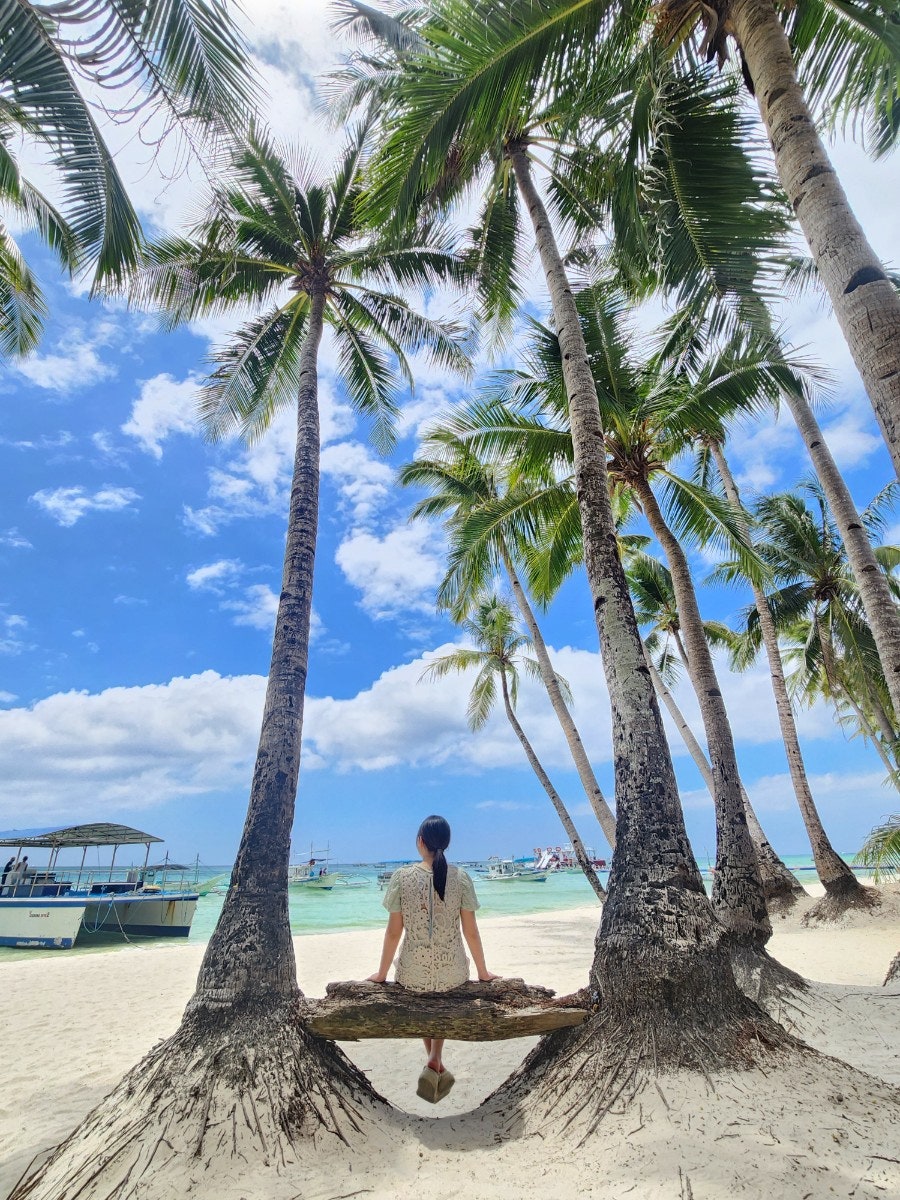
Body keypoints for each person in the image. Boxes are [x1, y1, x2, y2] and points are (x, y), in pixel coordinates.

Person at [368, 814, 498, 1104]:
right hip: (454, 972)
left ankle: (433, 1061)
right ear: (447, 844)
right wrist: (482, 971)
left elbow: (393, 933)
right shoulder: (461, 878)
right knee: (440, 989)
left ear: (420, 842)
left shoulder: (401, 877)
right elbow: (471, 932)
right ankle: (435, 1061)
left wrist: (381, 974)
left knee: (424, 989)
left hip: (411, 973)